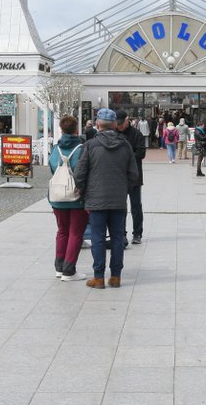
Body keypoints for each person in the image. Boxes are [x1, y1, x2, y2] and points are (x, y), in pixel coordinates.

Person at [73, 108, 139, 289]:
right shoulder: (125, 145)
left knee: (98, 238)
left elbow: (79, 174)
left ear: (97, 124)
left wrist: (84, 192)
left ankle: (99, 277)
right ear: (115, 125)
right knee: (117, 238)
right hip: (118, 200)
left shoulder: (90, 145)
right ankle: (116, 276)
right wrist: (123, 189)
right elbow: (134, 175)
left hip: (96, 200)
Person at [48, 115, 88, 282]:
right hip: (76, 197)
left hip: (57, 196)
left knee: (62, 231)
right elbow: (84, 172)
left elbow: (52, 167)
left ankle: (59, 267)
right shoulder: (81, 148)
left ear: (62, 129)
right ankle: (69, 270)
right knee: (76, 232)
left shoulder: (55, 149)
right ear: (76, 129)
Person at [116, 110, 146, 245]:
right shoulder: (114, 133)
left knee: (136, 206)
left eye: (121, 123)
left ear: (127, 120)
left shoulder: (136, 134)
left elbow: (141, 153)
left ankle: (137, 233)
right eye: (117, 124)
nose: (119, 126)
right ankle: (121, 233)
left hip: (134, 176)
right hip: (118, 176)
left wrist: (124, 155)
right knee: (120, 207)